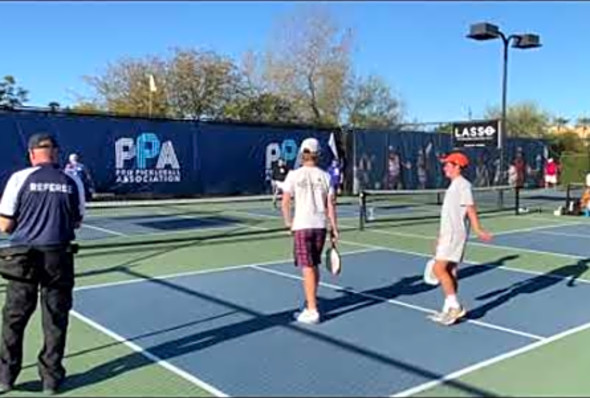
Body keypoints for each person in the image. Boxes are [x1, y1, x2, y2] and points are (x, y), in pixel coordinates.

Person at [0, 133, 85, 394]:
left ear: (32, 153)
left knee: (14, 318)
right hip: (58, 257)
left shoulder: (19, 178)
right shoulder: (72, 181)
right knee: (55, 319)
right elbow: (77, 222)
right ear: (56, 153)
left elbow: (5, 225)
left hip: (23, 259)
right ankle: (51, 379)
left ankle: (5, 377)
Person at [429, 151, 492, 326]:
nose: (444, 168)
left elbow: (470, 208)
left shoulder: (463, 185)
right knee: (450, 271)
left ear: (457, 166)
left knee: (438, 269)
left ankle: (455, 305)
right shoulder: (453, 185)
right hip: (448, 234)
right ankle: (449, 309)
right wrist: (439, 237)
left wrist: (478, 229)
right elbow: (448, 215)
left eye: (447, 164)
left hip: (455, 234)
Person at [281, 138, 339, 325]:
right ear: (318, 154)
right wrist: (334, 228)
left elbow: (285, 201)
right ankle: (311, 302)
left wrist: (288, 222)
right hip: (320, 226)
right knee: (314, 265)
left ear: (302, 153)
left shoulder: (293, 175)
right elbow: (330, 205)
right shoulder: (326, 176)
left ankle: (312, 309)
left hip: (303, 226)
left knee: (307, 268)